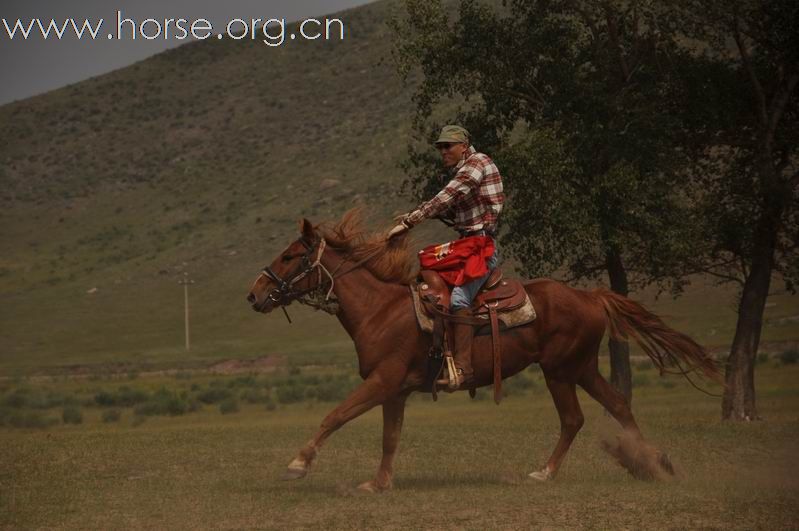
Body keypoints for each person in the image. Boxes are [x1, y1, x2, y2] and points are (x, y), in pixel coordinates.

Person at [388, 125, 504, 388]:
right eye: (440, 147)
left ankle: (463, 369)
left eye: (447, 146)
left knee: (460, 298)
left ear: (464, 145)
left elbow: (448, 196)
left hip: (481, 248)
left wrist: (410, 222)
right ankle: (439, 357)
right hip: (467, 244)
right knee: (430, 286)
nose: (442, 151)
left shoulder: (477, 163)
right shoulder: (466, 168)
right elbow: (454, 208)